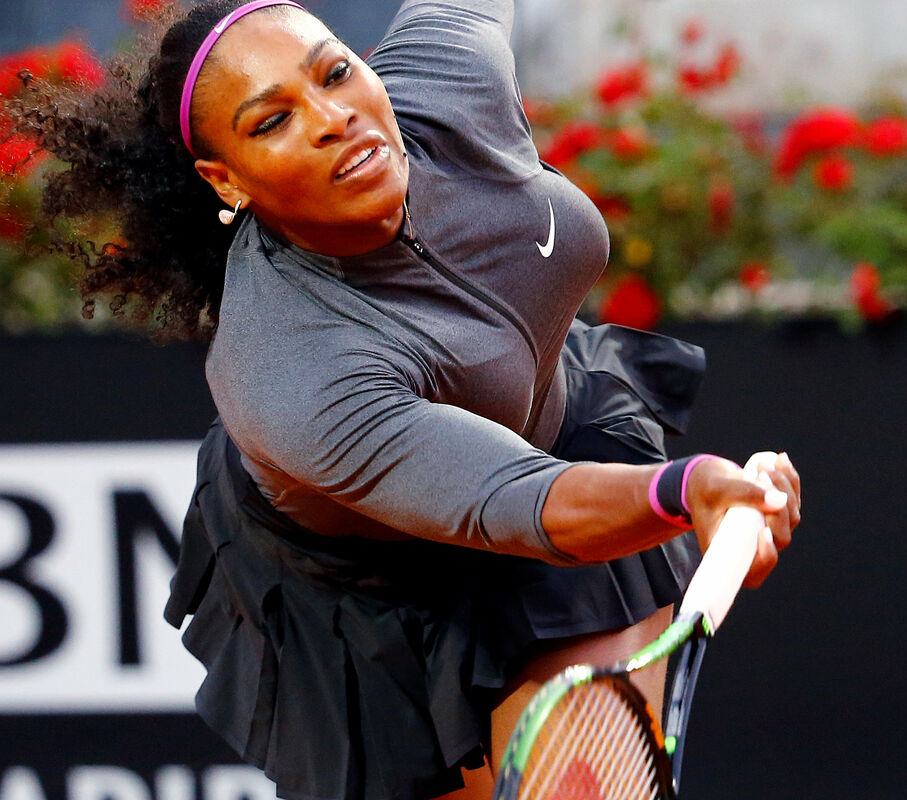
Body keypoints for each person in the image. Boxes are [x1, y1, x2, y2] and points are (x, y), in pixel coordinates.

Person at [9, 1, 801, 798]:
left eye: (335, 73)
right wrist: (687, 489)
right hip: (382, 587)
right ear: (226, 179)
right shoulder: (290, 369)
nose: (333, 118)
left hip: (561, 459)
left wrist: (685, 492)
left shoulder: (446, 78)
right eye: (273, 120)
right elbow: (515, 497)